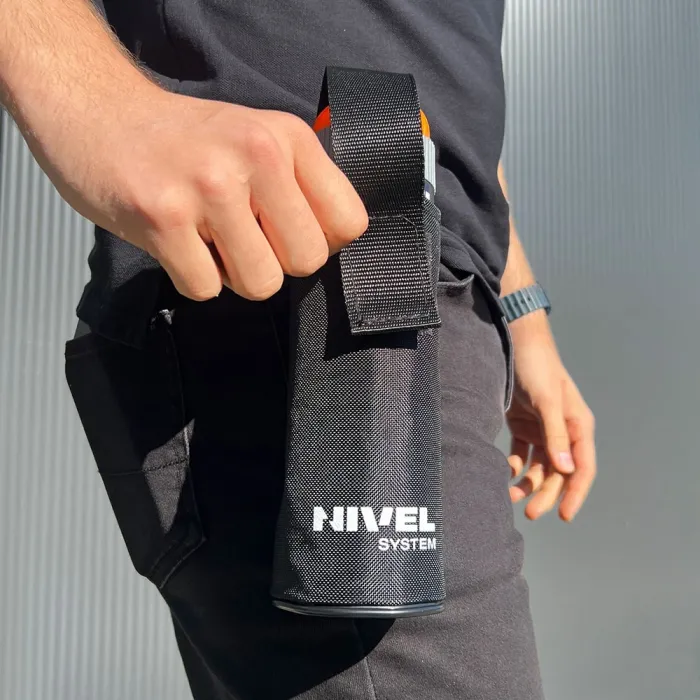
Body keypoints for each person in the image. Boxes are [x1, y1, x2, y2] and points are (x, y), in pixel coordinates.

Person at [0, 1, 597, 698]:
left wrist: (521, 316)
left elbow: (442, 82)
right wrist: (99, 105)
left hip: (425, 265)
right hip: (295, 278)